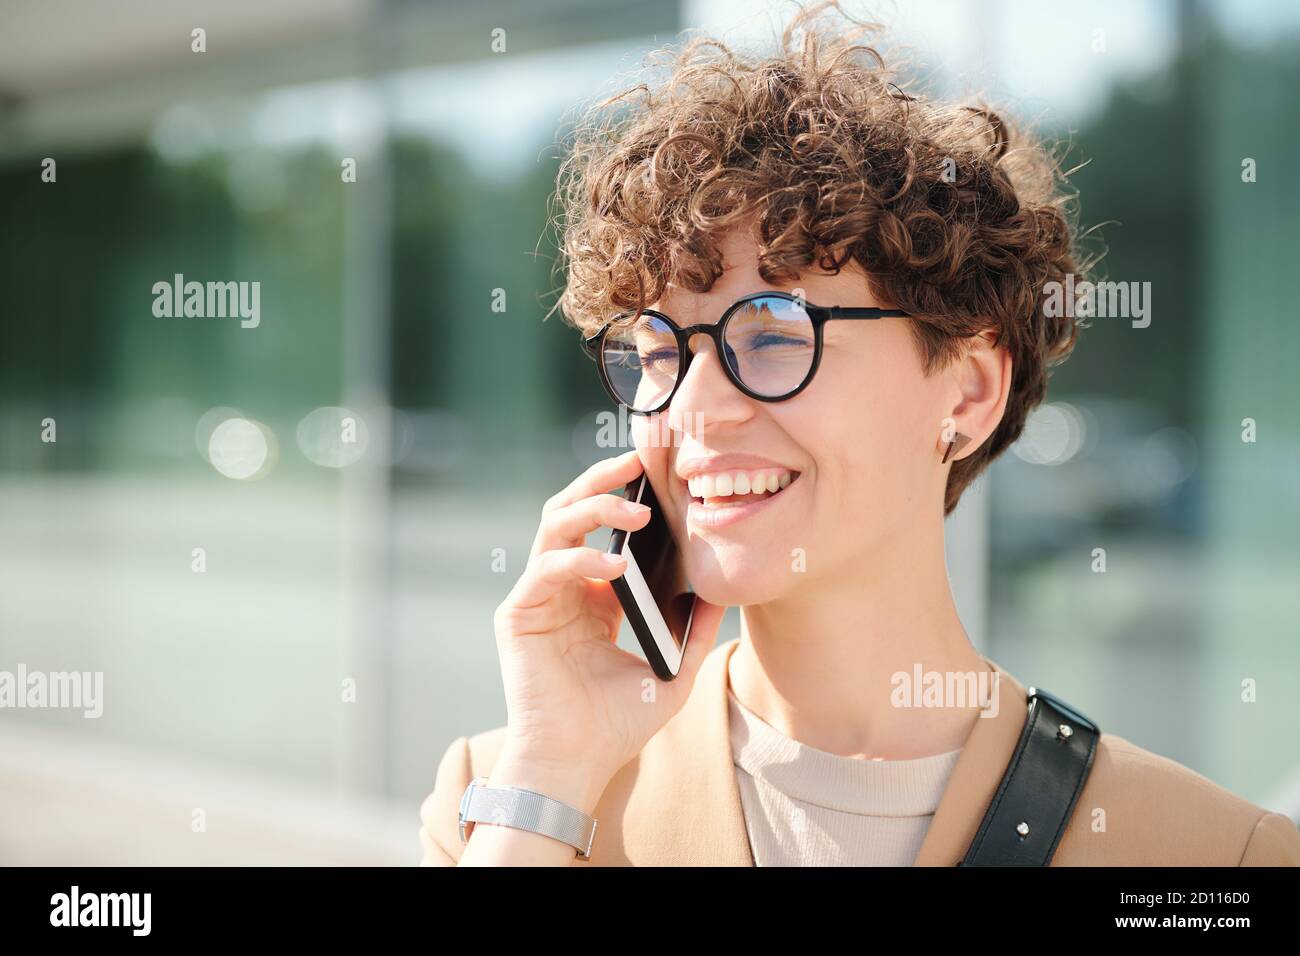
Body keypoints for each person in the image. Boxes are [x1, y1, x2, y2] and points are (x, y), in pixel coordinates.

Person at [418, 1, 1300, 866]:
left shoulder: (1220, 859)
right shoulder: (510, 799)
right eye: (657, 352)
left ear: (968, 390)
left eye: (770, 335)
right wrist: (550, 772)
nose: (692, 408)